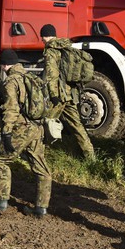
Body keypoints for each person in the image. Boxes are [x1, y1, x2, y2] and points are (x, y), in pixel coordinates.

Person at [0, 50, 52, 217]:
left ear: (5, 65)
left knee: (0, 161)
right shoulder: (30, 78)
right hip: (37, 128)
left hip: (22, 128)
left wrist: (6, 131)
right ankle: (41, 207)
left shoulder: (12, 82)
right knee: (41, 167)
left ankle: (0, 201)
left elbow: (11, 109)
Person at [40, 24, 95, 161]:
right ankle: (90, 156)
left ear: (45, 36)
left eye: (42, 37)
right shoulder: (67, 47)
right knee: (77, 126)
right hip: (71, 94)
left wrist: (53, 95)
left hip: (59, 95)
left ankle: (37, 154)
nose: (41, 40)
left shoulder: (51, 51)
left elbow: (51, 75)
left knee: (45, 123)